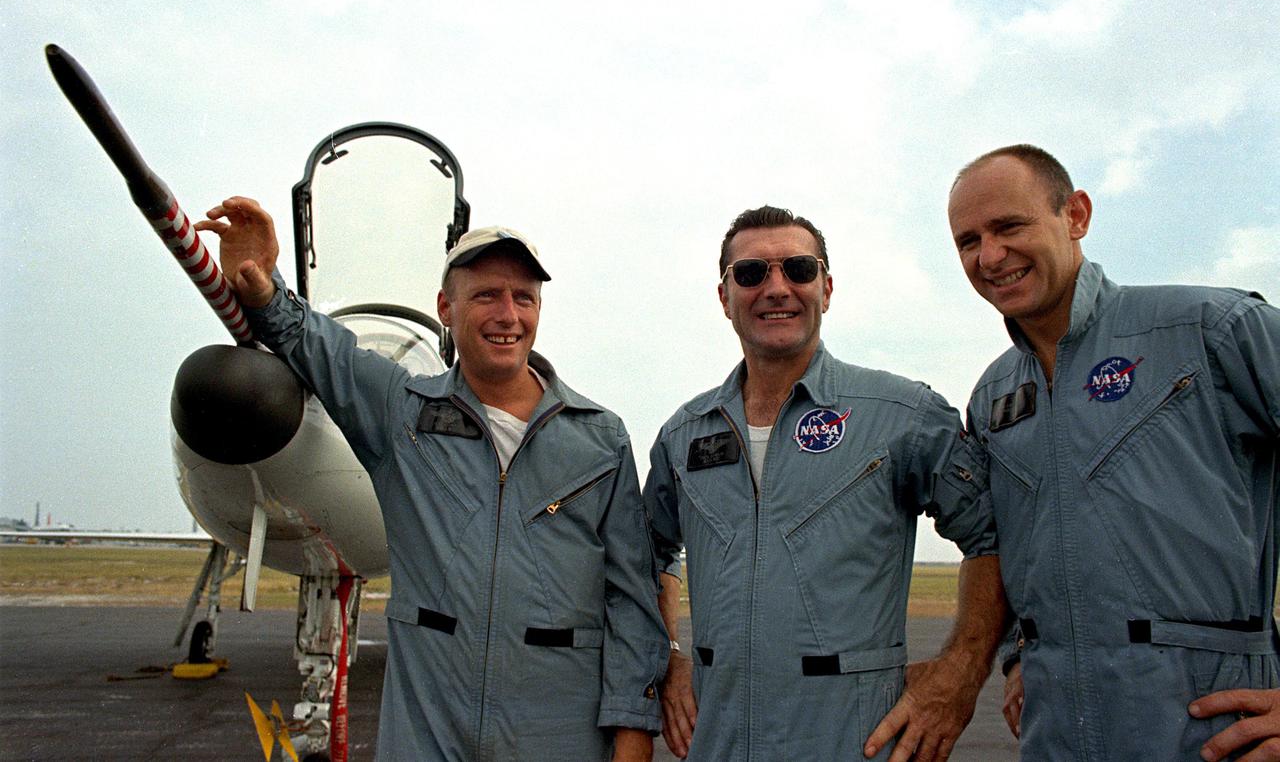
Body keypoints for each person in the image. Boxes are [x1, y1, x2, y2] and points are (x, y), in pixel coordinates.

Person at [195, 198, 667, 762]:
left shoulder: (600, 438)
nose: (508, 315)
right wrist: (265, 285)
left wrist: (635, 734)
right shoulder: (403, 413)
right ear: (446, 306)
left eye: (524, 298)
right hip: (429, 733)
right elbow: (322, 349)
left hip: (559, 733)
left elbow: (631, 598)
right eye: (486, 295)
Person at [947, 144, 1280, 761]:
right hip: (1058, 736)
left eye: (1009, 227)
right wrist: (1021, 652)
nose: (989, 256)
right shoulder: (993, 396)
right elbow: (1013, 548)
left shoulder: (1211, 330)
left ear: (1075, 215)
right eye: (968, 240)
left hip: (1214, 734)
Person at [643, 205, 1007, 762]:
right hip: (718, 741)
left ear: (827, 288)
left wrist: (958, 675)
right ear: (724, 297)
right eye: (751, 274)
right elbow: (652, 553)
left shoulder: (903, 414)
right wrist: (670, 658)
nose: (776, 288)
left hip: (855, 741)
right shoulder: (683, 436)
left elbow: (996, 535)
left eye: (798, 269)